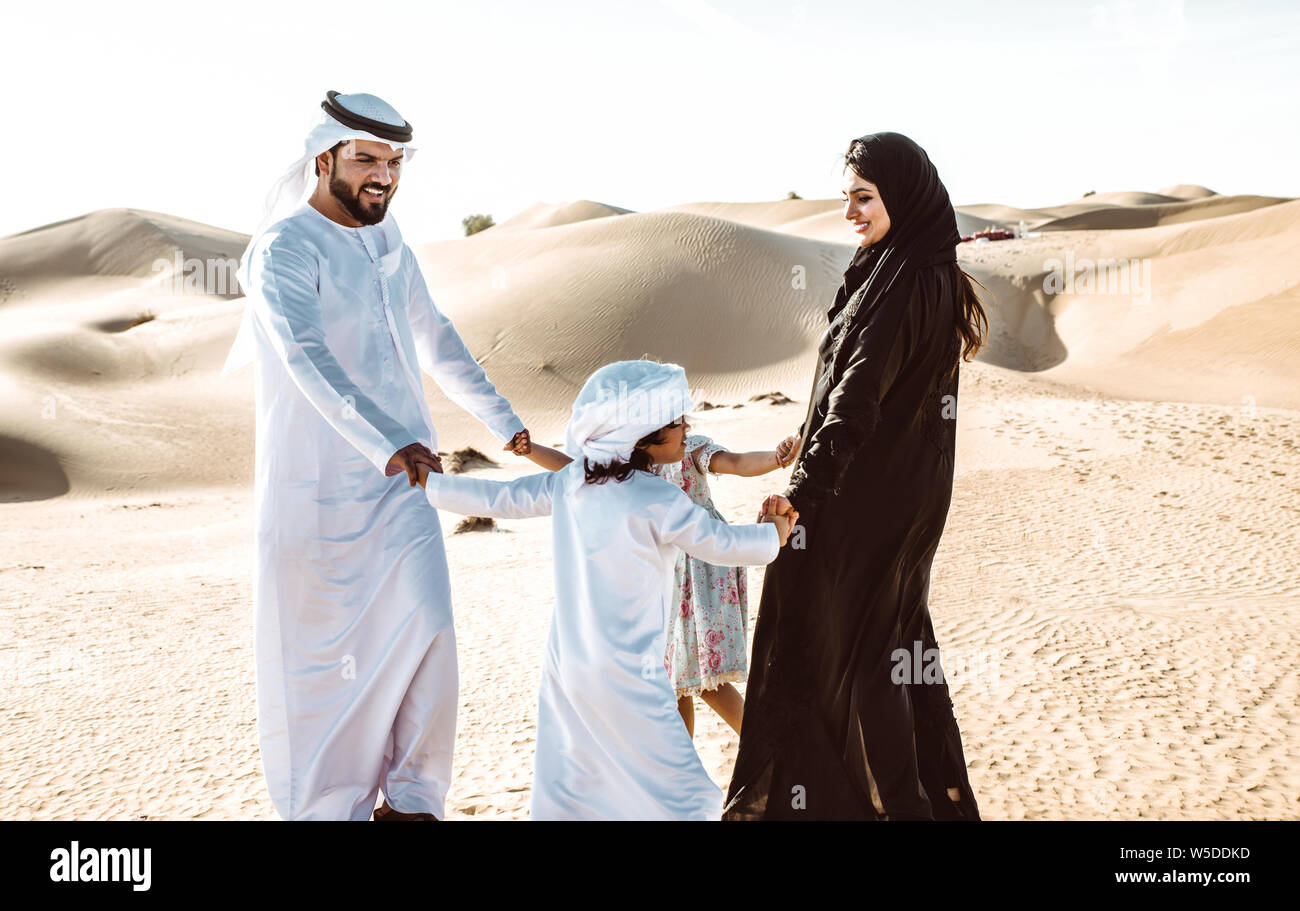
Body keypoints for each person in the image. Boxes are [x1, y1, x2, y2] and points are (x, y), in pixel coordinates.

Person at [221, 90, 531, 821]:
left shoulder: (392, 246)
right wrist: (385, 439)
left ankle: (415, 803)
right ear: (322, 159)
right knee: (324, 676)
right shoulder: (284, 249)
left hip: (404, 491)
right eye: (366, 159)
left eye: (392, 162)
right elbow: (304, 353)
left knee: (430, 632)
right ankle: (334, 809)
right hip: (319, 501)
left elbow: (439, 340)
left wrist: (506, 425)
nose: (383, 175)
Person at [724, 132, 987, 821]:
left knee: (825, 658)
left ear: (900, 196)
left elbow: (856, 399)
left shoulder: (902, 285)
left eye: (863, 197)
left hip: (854, 511)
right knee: (887, 664)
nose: (850, 212)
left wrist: (802, 495)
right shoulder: (916, 270)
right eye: (847, 197)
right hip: (893, 516)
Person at [418, 361, 796, 819]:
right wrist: (775, 532)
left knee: (574, 786)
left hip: (567, 668)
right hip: (631, 673)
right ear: (642, 434)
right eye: (675, 421)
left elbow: (496, 498)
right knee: (688, 798)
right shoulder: (658, 498)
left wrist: (429, 483)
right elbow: (725, 545)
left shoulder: (571, 483)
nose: (686, 428)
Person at [520, 428, 801, 739]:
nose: (686, 428)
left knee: (709, 680)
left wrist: (777, 457)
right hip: (661, 578)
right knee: (672, 682)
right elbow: (571, 466)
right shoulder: (626, 466)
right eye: (676, 421)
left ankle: (766, 751)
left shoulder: (688, 450)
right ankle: (683, 777)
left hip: (701, 569)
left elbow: (735, 462)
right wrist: (529, 448)